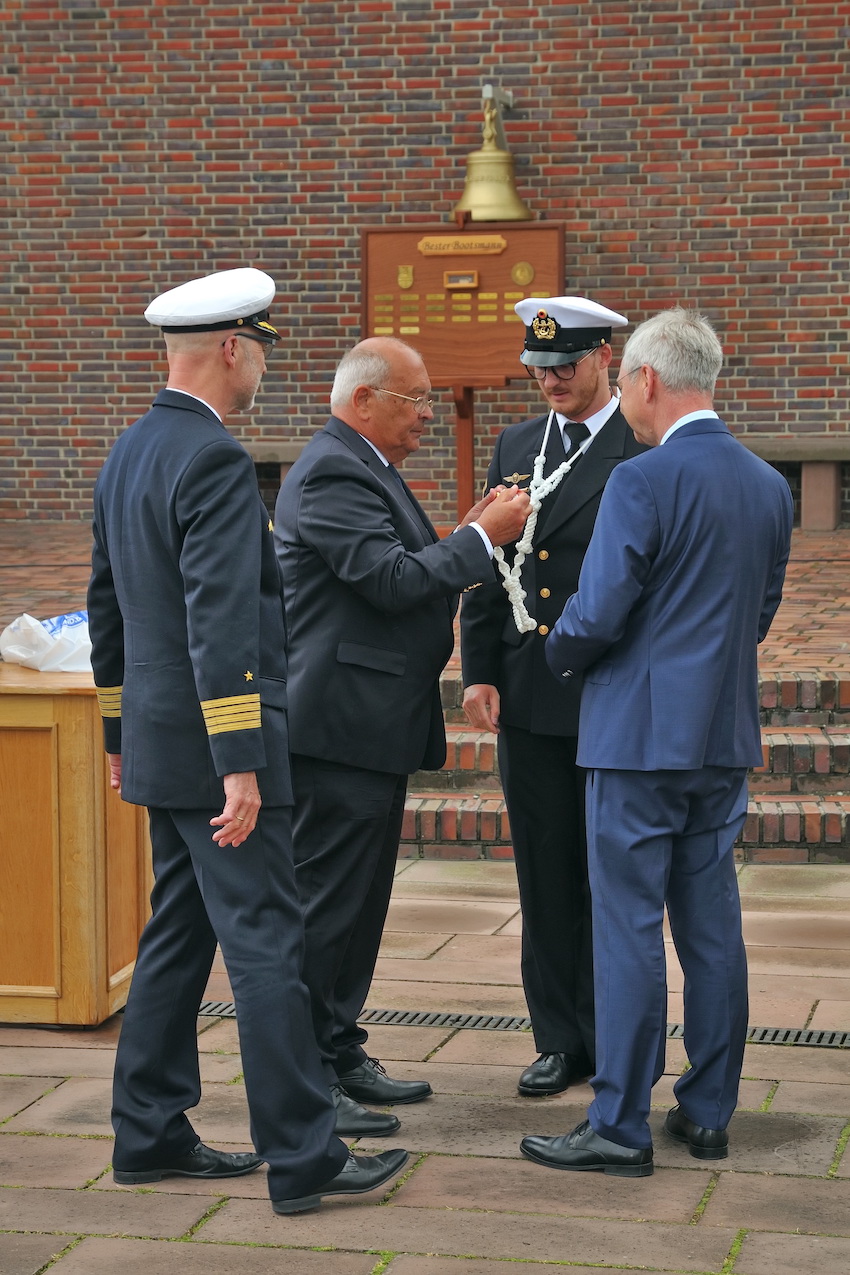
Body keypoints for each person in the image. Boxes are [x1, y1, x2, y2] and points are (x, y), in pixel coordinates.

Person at [87, 268, 408, 1216]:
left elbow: (107, 612)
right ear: (232, 348)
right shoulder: (215, 459)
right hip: (220, 754)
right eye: (260, 345)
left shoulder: (128, 453)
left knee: (179, 936)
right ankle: (304, 1153)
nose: (263, 362)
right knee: (268, 939)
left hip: (158, 745)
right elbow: (221, 621)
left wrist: (117, 734)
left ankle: (147, 1128)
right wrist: (239, 761)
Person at [520, 306, 793, 1177]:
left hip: (635, 739)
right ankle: (708, 1111)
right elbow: (757, 614)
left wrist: (553, 651)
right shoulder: (766, 483)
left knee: (628, 928)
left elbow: (596, 613)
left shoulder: (642, 480)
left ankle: (619, 1123)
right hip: (720, 737)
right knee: (712, 927)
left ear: (643, 380)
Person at [274, 336, 530, 1135]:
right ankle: (309, 1077)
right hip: (338, 727)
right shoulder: (330, 470)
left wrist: (462, 536)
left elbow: (398, 563)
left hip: (373, 724)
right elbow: (388, 582)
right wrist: (483, 539)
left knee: (360, 904)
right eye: (415, 399)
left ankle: (339, 1045)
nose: (427, 412)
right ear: (363, 401)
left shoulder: (362, 464)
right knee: (326, 908)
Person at [460, 296, 646, 1097]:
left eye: (566, 364)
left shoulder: (639, 447)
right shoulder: (516, 443)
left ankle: (611, 1037)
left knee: (605, 875)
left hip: (604, 691)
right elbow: (485, 554)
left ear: (606, 356)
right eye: (540, 368)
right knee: (543, 871)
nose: (552, 381)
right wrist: (478, 668)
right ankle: (557, 1037)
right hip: (530, 698)